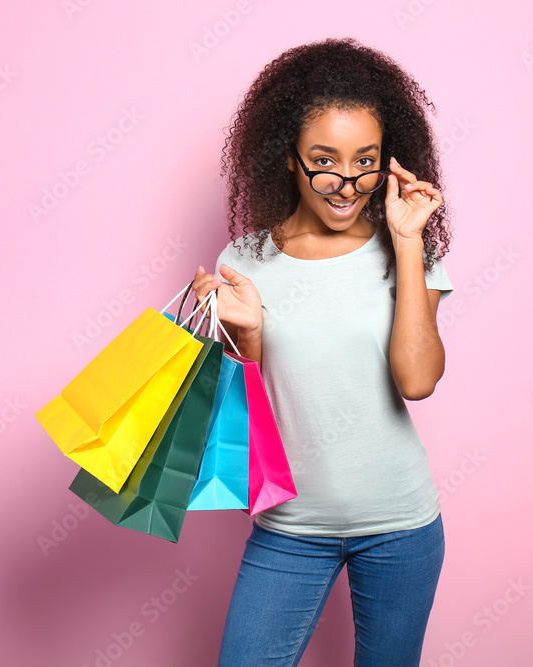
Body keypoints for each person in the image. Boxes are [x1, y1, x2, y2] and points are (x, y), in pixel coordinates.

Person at [191, 37, 454, 666]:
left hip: (401, 525)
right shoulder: (244, 262)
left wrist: (409, 241)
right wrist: (245, 339)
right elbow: (239, 416)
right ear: (287, 158)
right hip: (291, 530)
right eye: (324, 160)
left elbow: (417, 380)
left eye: (366, 160)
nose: (347, 183)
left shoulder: (407, 253)